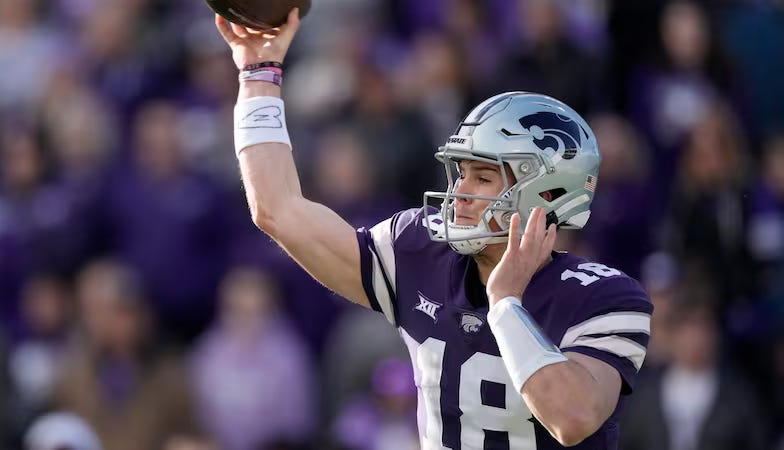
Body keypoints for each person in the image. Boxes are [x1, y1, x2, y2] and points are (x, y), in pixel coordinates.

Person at [215, 9, 652, 449]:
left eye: (483, 177)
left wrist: (505, 303)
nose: (460, 192)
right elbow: (278, 210)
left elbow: (573, 417)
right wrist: (258, 72)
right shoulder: (421, 249)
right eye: (461, 173)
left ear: (547, 194)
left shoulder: (605, 297)